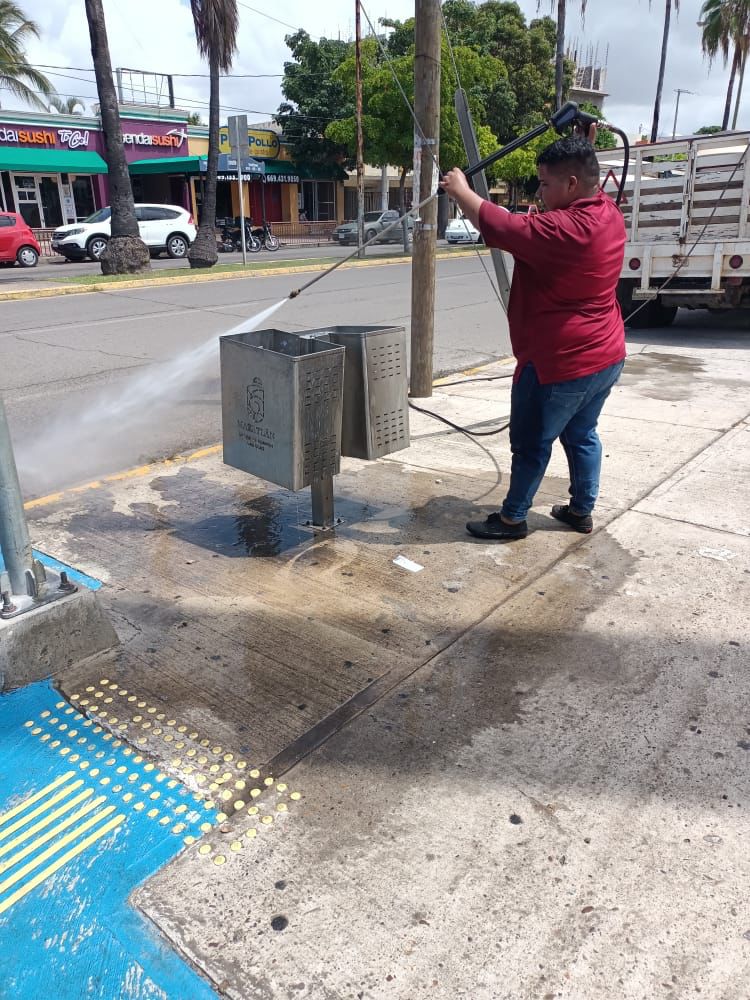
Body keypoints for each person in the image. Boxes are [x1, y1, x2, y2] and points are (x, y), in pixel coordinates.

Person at [439, 135, 626, 541]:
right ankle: (580, 510)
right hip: (606, 355)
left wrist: (460, 191)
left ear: (572, 184)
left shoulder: (564, 229)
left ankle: (512, 519)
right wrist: (582, 140)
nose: (540, 193)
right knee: (581, 434)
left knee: (531, 443)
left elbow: (501, 224)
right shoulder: (608, 211)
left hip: (560, 363)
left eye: (544, 184)